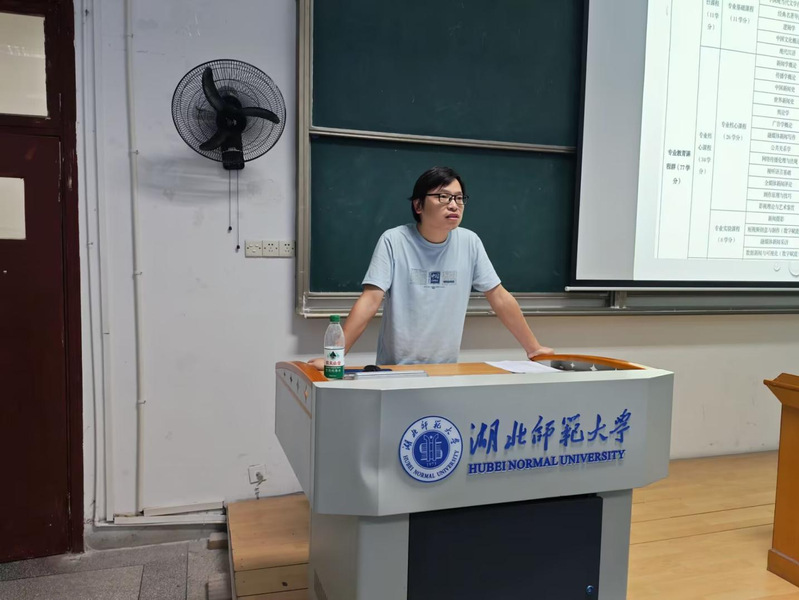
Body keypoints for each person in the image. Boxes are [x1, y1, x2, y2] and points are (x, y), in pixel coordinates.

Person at [309, 166, 553, 368]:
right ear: (418, 205)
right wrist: (335, 357)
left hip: (445, 369)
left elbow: (499, 297)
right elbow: (370, 301)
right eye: (443, 197)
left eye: (459, 198)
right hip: (396, 369)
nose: (454, 205)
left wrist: (533, 348)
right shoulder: (394, 240)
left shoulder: (470, 242)